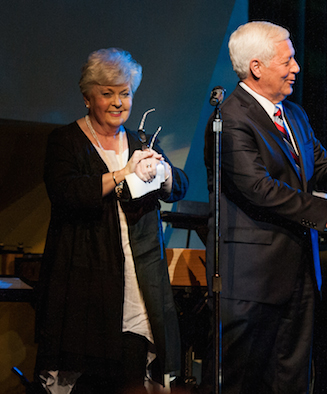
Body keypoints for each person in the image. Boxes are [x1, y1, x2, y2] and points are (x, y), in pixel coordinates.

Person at [202, 21, 327, 394]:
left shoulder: (294, 114)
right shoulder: (230, 119)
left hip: (300, 274)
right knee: (244, 381)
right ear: (256, 67)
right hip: (250, 281)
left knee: (293, 380)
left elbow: (320, 166)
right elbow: (260, 188)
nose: (296, 67)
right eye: (288, 60)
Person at [34, 48, 189, 393]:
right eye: (108, 94)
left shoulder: (142, 142)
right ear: (88, 97)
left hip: (137, 285)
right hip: (85, 287)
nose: (119, 102)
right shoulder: (65, 141)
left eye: (125, 93)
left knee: (131, 376)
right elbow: (67, 193)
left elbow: (178, 185)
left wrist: (162, 170)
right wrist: (123, 172)